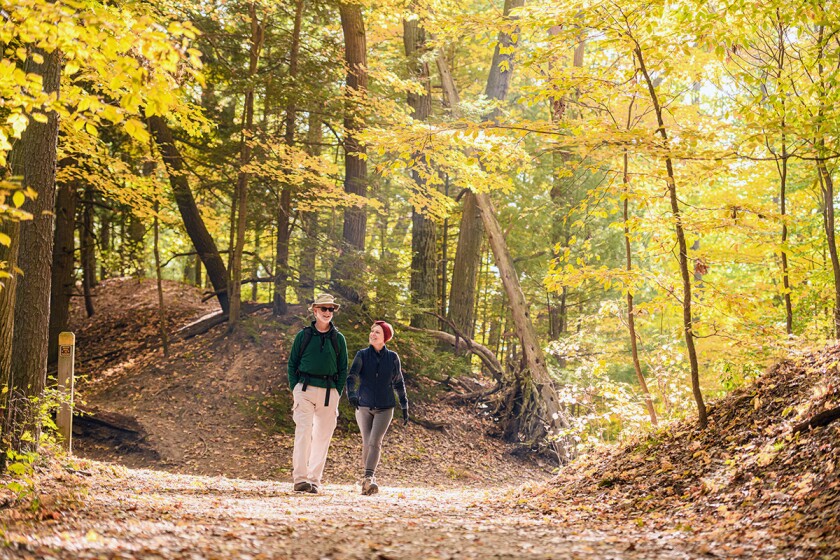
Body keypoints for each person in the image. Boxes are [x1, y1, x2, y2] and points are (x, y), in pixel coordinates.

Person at [287, 293, 348, 494]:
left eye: (331, 309)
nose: (328, 312)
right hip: (304, 390)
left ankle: (314, 480)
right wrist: (295, 388)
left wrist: (337, 392)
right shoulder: (303, 336)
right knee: (303, 433)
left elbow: (342, 369)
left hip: (329, 393)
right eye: (324, 309)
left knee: (322, 437)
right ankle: (300, 479)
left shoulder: (338, 339)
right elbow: (292, 363)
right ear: (315, 311)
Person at [345, 320, 409, 496]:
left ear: (385, 338)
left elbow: (398, 382)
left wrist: (404, 405)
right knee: (367, 443)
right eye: (372, 331)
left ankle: (368, 478)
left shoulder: (393, 357)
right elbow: (351, 377)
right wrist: (351, 394)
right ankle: (367, 481)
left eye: (377, 332)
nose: (372, 334)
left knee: (375, 442)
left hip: (385, 407)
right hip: (363, 405)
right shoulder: (362, 355)